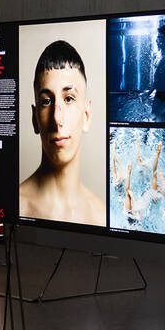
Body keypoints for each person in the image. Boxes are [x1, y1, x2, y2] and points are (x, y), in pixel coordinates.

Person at [20, 39, 106, 225]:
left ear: (87, 115)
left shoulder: (101, 216)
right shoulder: (15, 208)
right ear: (35, 119)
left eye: (68, 98)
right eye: (46, 101)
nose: (57, 119)